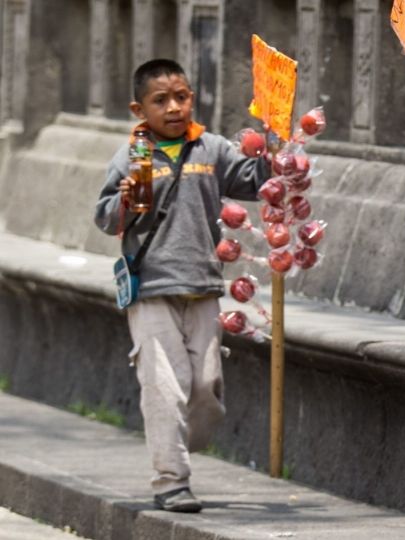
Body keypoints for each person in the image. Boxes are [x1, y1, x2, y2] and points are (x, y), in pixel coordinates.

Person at [94, 59, 270, 512]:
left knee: (206, 389)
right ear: (140, 108)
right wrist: (133, 194)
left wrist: (277, 150)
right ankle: (171, 480)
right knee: (164, 388)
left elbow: (254, 182)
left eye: (182, 96)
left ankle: (172, 441)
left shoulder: (210, 149)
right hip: (152, 286)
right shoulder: (133, 155)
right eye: (161, 100)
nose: (174, 107)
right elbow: (105, 216)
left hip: (203, 284)